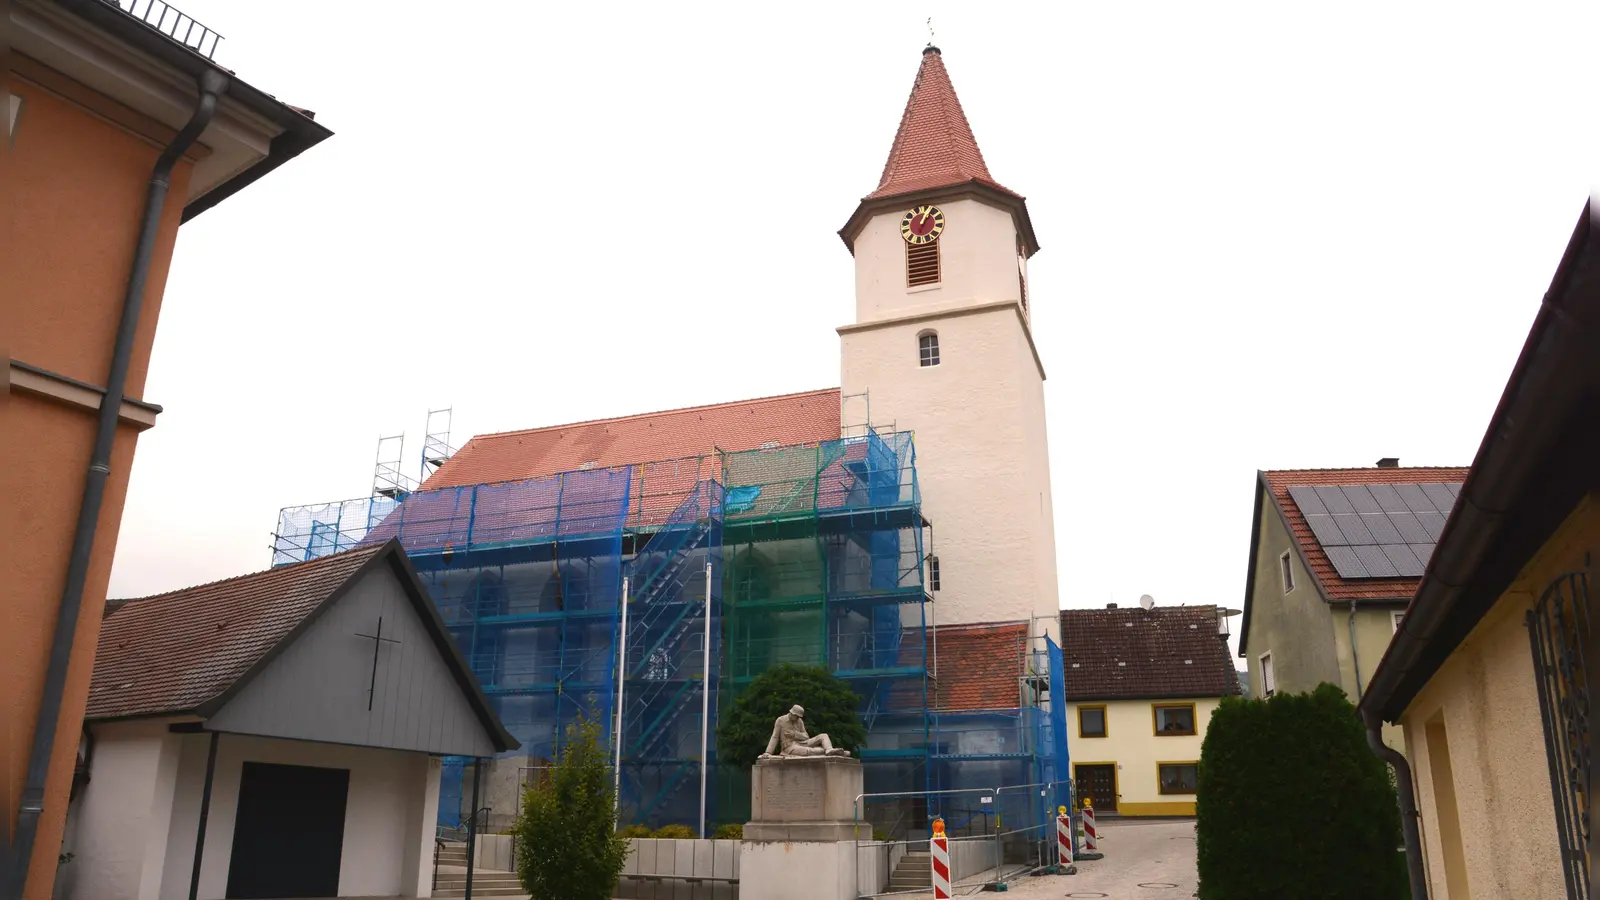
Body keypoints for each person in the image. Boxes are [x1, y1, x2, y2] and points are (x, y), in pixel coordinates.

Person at [760, 704, 850, 758]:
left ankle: (829, 750)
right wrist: (768, 753)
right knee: (808, 751)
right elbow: (775, 737)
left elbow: (806, 736)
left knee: (824, 736)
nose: (798, 718)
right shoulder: (780, 720)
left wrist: (794, 734)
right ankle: (835, 753)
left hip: (803, 742)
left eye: (799, 717)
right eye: (797, 716)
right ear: (792, 713)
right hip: (790, 747)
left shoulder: (799, 721)